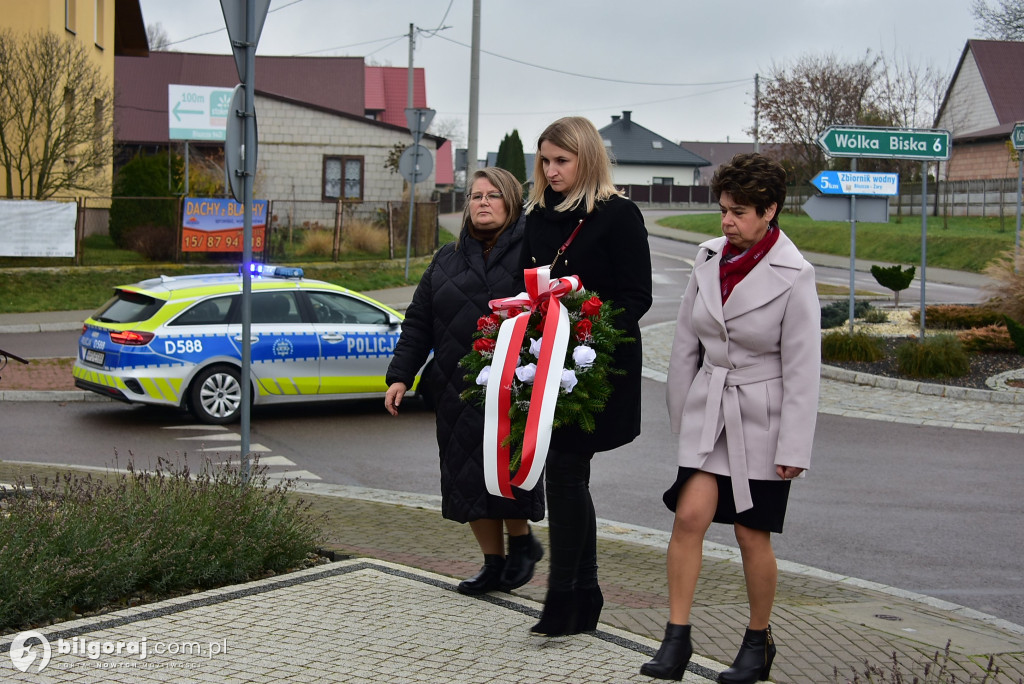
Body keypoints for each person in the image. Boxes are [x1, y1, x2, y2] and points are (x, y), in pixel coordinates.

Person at [641, 153, 820, 683]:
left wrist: (794, 448)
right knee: (688, 517)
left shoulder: (796, 274)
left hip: (761, 419)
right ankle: (676, 639)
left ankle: (758, 641)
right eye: (723, 210)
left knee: (750, 533)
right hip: (709, 409)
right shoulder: (707, 257)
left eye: (739, 212)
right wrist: (683, 413)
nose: (726, 222)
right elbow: (685, 343)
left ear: (770, 211)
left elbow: (803, 370)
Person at [519, 116, 652, 637]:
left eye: (562, 161)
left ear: (587, 159)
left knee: (567, 472)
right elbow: (525, 286)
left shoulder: (619, 215)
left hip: (595, 367)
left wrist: (582, 333)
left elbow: (636, 296)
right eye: (545, 161)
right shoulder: (536, 217)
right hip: (542, 362)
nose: (551, 171)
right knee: (569, 476)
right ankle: (581, 592)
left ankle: (564, 595)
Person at [385, 167, 545, 596]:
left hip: (514, 388)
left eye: (494, 195)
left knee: (507, 470)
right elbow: (418, 322)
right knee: (467, 478)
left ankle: (523, 542)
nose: (483, 203)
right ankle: (492, 564)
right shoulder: (446, 258)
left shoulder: (531, 253)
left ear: (511, 202)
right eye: (475, 196)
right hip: (456, 388)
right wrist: (401, 375)